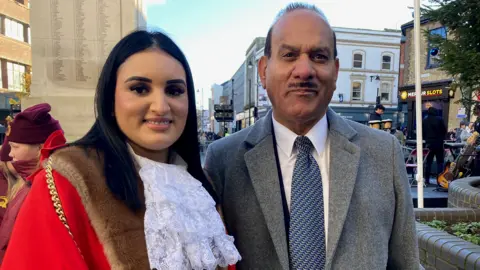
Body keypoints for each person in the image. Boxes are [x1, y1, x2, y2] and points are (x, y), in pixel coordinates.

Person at [205, 3, 420, 269]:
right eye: (289, 55)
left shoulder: (383, 152)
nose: (304, 70)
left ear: (335, 70)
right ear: (263, 70)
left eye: (319, 56)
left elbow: (406, 263)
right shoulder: (223, 161)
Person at [2, 30, 240, 270]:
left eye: (174, 90)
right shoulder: (67, 182)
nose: (161, 106)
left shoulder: (199, 187)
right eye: (139, 89)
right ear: (111, 101)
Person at [0, 103, 64, 263]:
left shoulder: (50, 185)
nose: (10, 153)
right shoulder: (25, 182)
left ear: (40, 147)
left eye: (15, 146)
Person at [422, 107, 447, 183]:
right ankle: (439, 180)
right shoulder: (440, 119)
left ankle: (427, 179)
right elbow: (444, 130)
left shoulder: (424, 120)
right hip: (438, 143)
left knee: (428, 162)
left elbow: (423, 132)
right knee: (440, 162)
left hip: (429, 143)